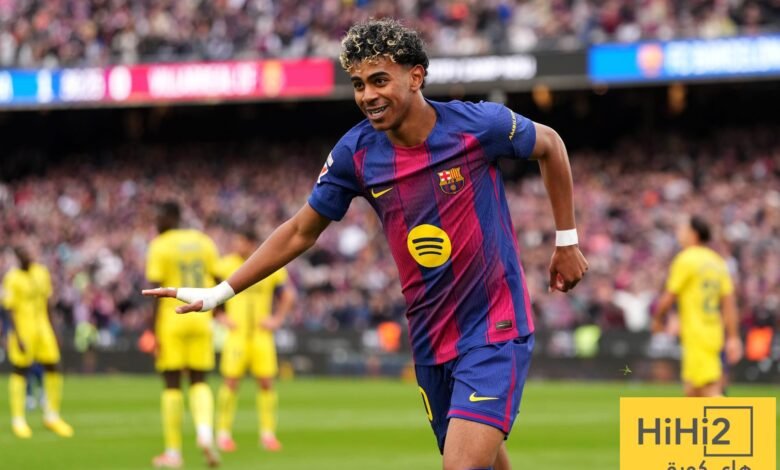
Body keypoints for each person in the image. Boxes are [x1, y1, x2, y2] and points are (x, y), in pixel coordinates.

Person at [144, 19, 588, 470]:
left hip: (495, 325)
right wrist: (219, 293)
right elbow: (300, 230)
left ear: (415, 77)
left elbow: (550, 144)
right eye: (358, 84)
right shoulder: (355, 153)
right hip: (431, 336)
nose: (367, 95)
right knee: (483, 458)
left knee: (461, 465)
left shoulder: (477, 125)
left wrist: (567, 240)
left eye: (379, 80)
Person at [144, 201, 221, 468]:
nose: (156, 222)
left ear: (170, 217)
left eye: (159, 217)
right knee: (200, 379)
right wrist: (220, 312)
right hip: (201, 317)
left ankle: (173, 452)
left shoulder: (160, 245)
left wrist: (152, 329)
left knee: (172, 383)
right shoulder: (204, 241)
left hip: (172, 318)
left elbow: (156, 290)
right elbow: (218, 279)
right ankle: (205, 433)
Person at [214, 229, 296, 453]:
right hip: (237, 334)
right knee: (231, 382)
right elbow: (209, 290)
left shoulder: (269, 262)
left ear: (250, 243)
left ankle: (268, 434)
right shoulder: (224, 265)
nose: (236, 245)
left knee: (266, 382)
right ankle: (223, 434)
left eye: (239, 241)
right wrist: (219, 316)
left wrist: (277, 319)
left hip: (261, 335)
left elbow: (288, 295)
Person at [652, 215, 743, 397]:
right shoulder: (718, 262)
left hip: (696, 333)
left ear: (693, 234)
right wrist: (733, 337)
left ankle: (737, 416)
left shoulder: (686, 259)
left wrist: (658, 320)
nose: (679, 233)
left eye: (682, 229)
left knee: (709, 390)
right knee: (692, 390)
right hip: (713, 331)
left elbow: (668, 297)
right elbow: (729, 303)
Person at [2, 245, 73, 439]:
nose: (29, 257)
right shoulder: (12, 278)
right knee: (20, 369)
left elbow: (48, 303)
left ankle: (52, 415)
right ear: (18, 258)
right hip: (23, 328)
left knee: (53, 365)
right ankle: (18, 419)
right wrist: (16, 335)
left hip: (43, 326)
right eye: (24, 254)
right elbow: (10, 310)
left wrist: (54, 330)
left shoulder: (41, 273)